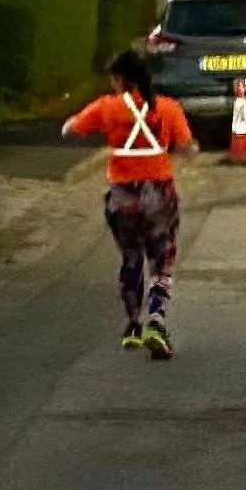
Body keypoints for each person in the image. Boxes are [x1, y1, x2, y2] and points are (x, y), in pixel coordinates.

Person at [62, 50, 197, 359]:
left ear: (120, 79)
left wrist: (72, 122)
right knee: (161, 261)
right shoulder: (168, 108)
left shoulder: (106, 108)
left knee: (131, 257)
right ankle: (156, 320)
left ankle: (133, 323)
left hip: (122, 198)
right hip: (159, 196)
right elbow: (187, 147)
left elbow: (71, 129)